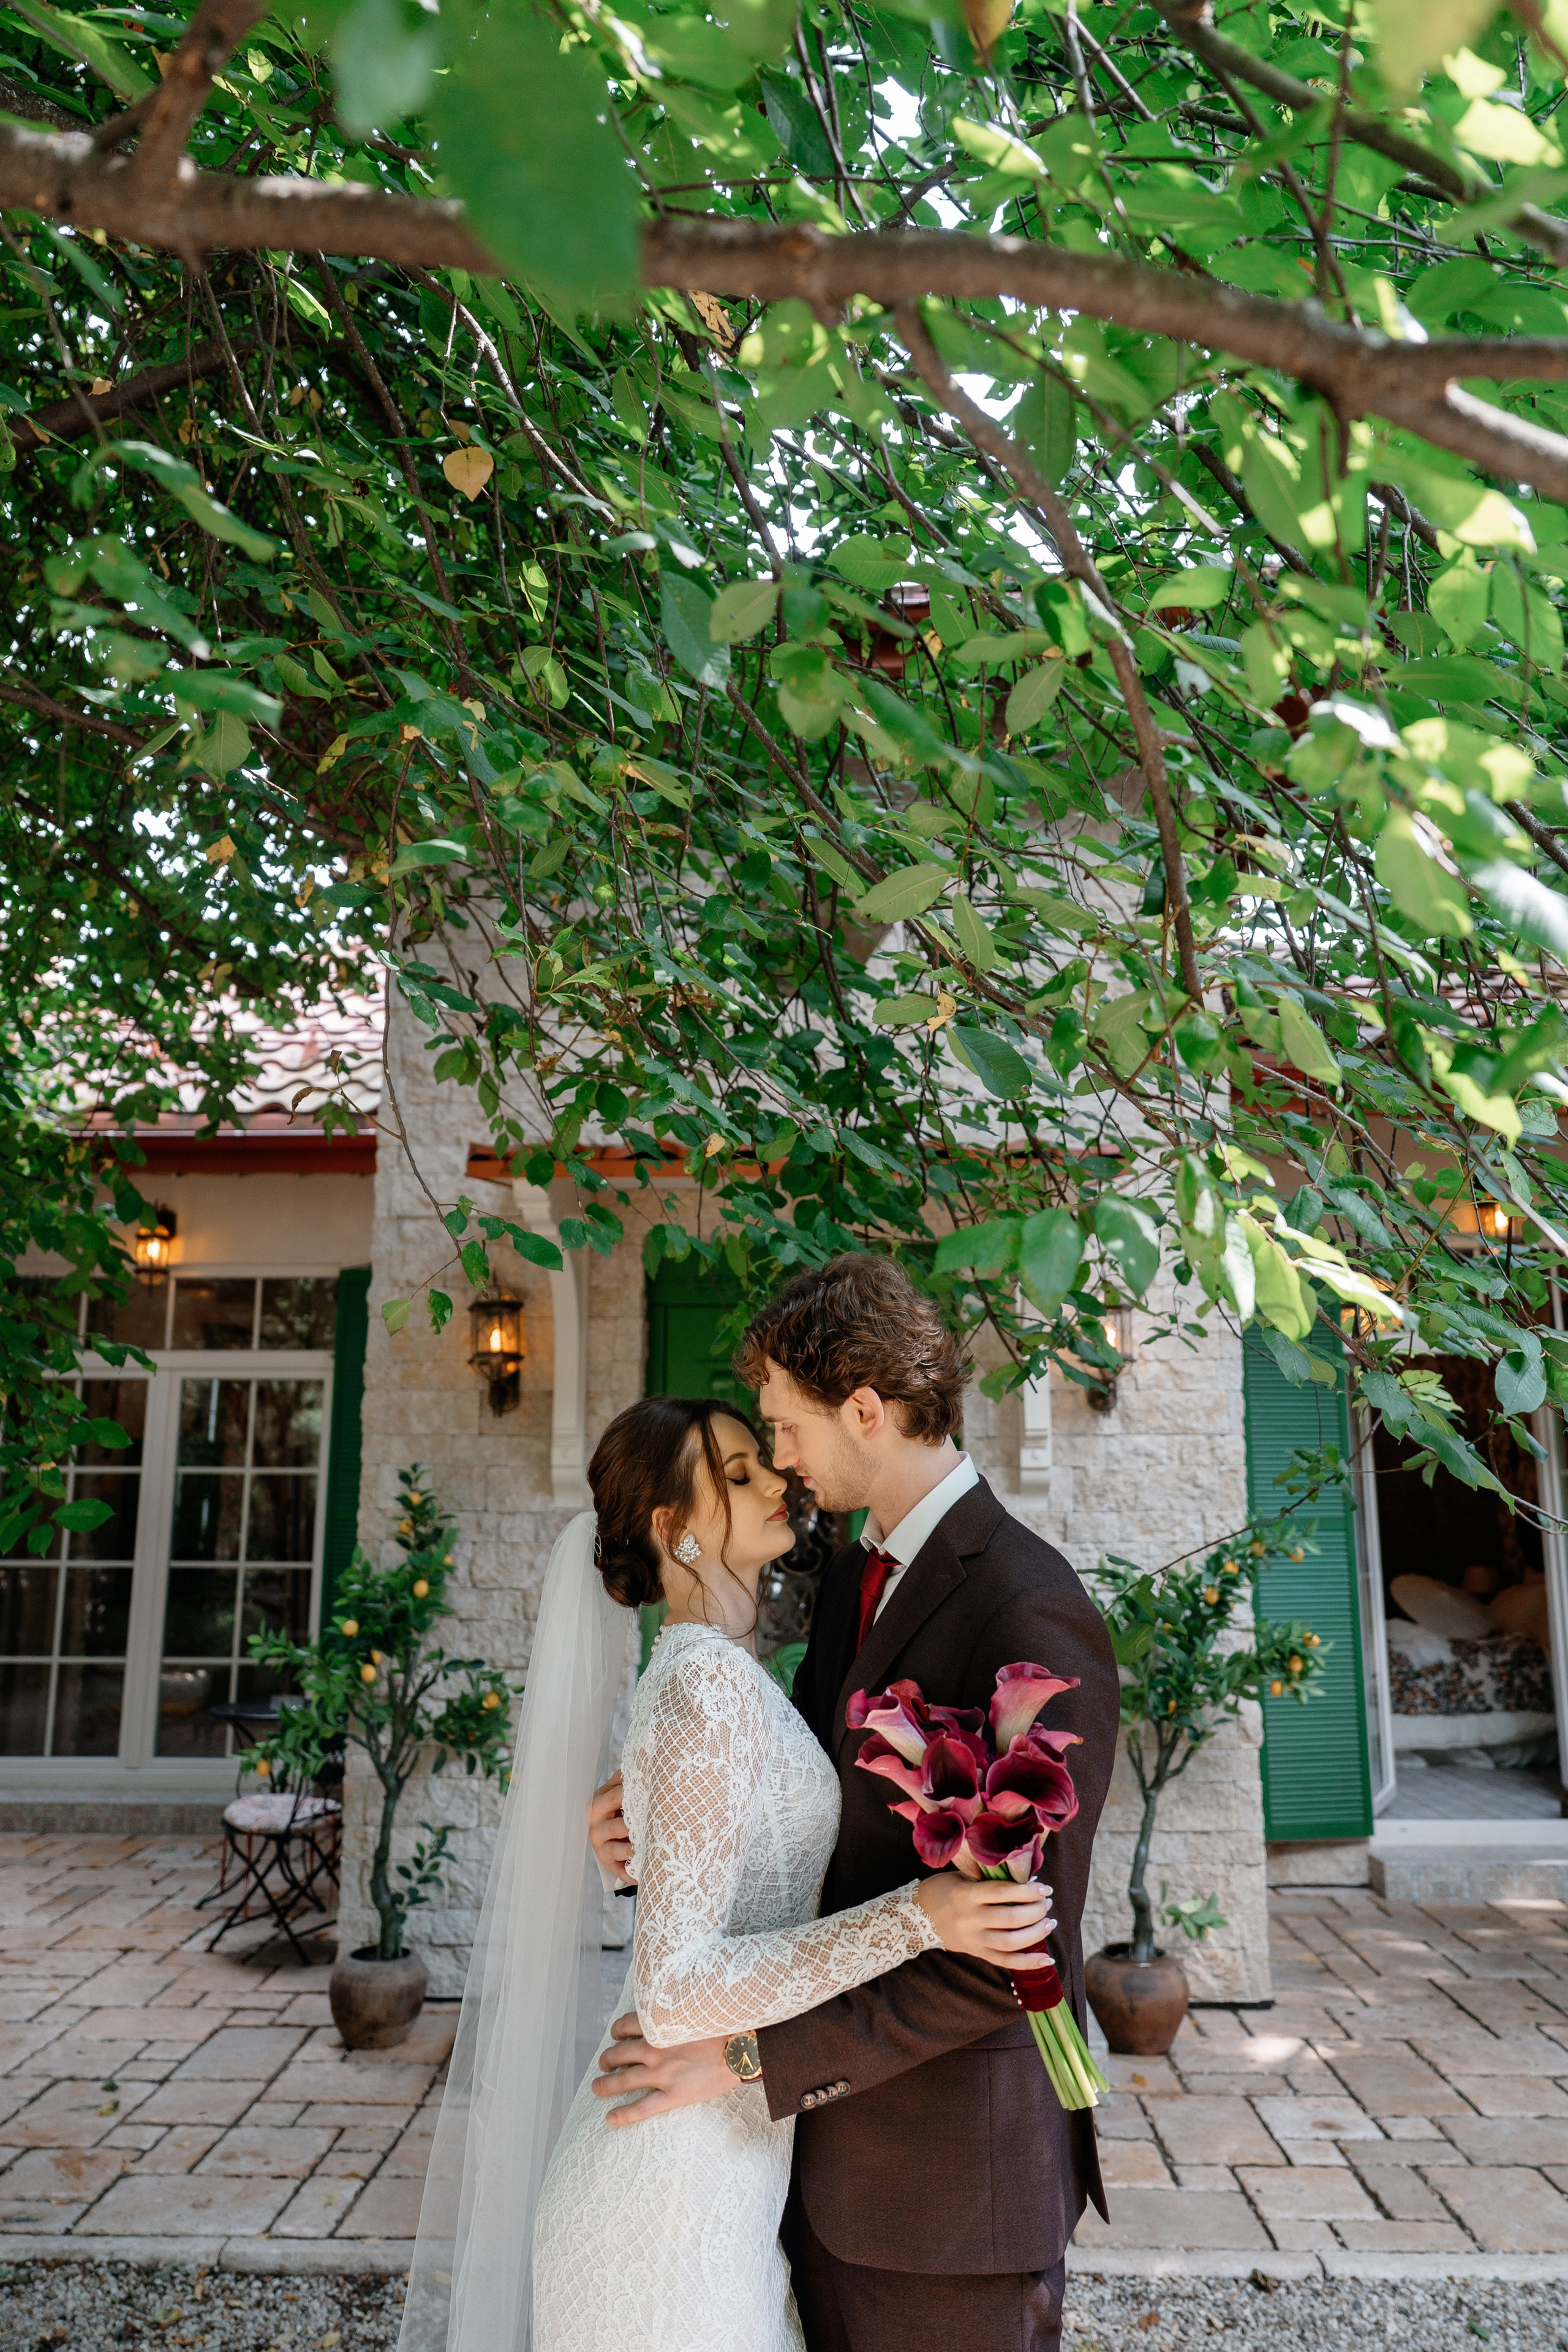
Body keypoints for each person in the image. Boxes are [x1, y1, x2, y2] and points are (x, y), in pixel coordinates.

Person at [398, 1389, 1055, 2352]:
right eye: (738, 1474)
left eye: (767, 1459)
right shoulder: (703, 1687)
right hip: (667, 2186)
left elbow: (736, 1870)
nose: (777, 1481)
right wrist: (922, 1915)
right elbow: (673, 1992)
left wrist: (651, 1846)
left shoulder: (730, 1674)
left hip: (725, 2163)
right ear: (676, 1531)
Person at [589, 1254, 1119, 2352]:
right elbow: (814, 1811)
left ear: (865, 1411)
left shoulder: (1031, 1612)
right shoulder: (852, 1582)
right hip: (814, 2174)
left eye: (783, 1427)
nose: (779, 1460)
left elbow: (1010, 1957)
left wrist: (743, 2062)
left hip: (947, 2194)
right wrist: (662, 1817)